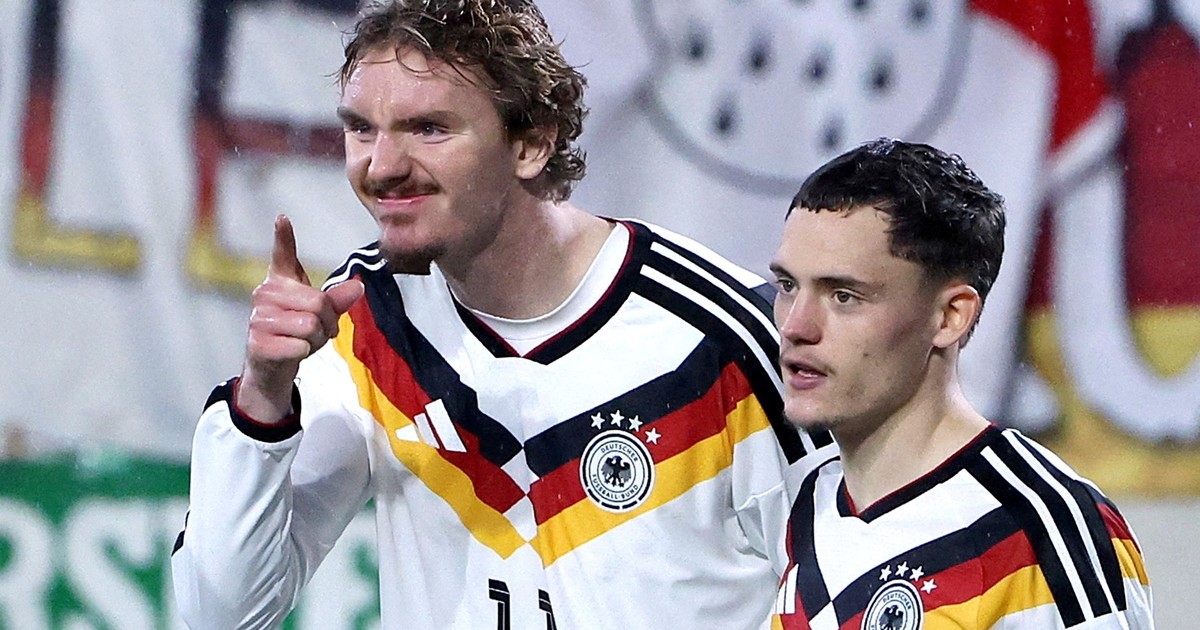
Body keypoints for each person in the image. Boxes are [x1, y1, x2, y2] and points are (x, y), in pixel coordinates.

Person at [170, 1, 835, 628]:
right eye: (360, 129)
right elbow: (224, 614)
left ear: (531, 144)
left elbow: (858, 583)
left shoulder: (727, 339)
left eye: (428, 129)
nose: (381, 166)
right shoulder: (368, 320)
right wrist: (262, 398)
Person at [766, 138, 1153, 629]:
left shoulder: (1041, 533)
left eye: (844, 296)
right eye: (788, 286)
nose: (795, 326)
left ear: (950, 316)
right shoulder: (804, 506)